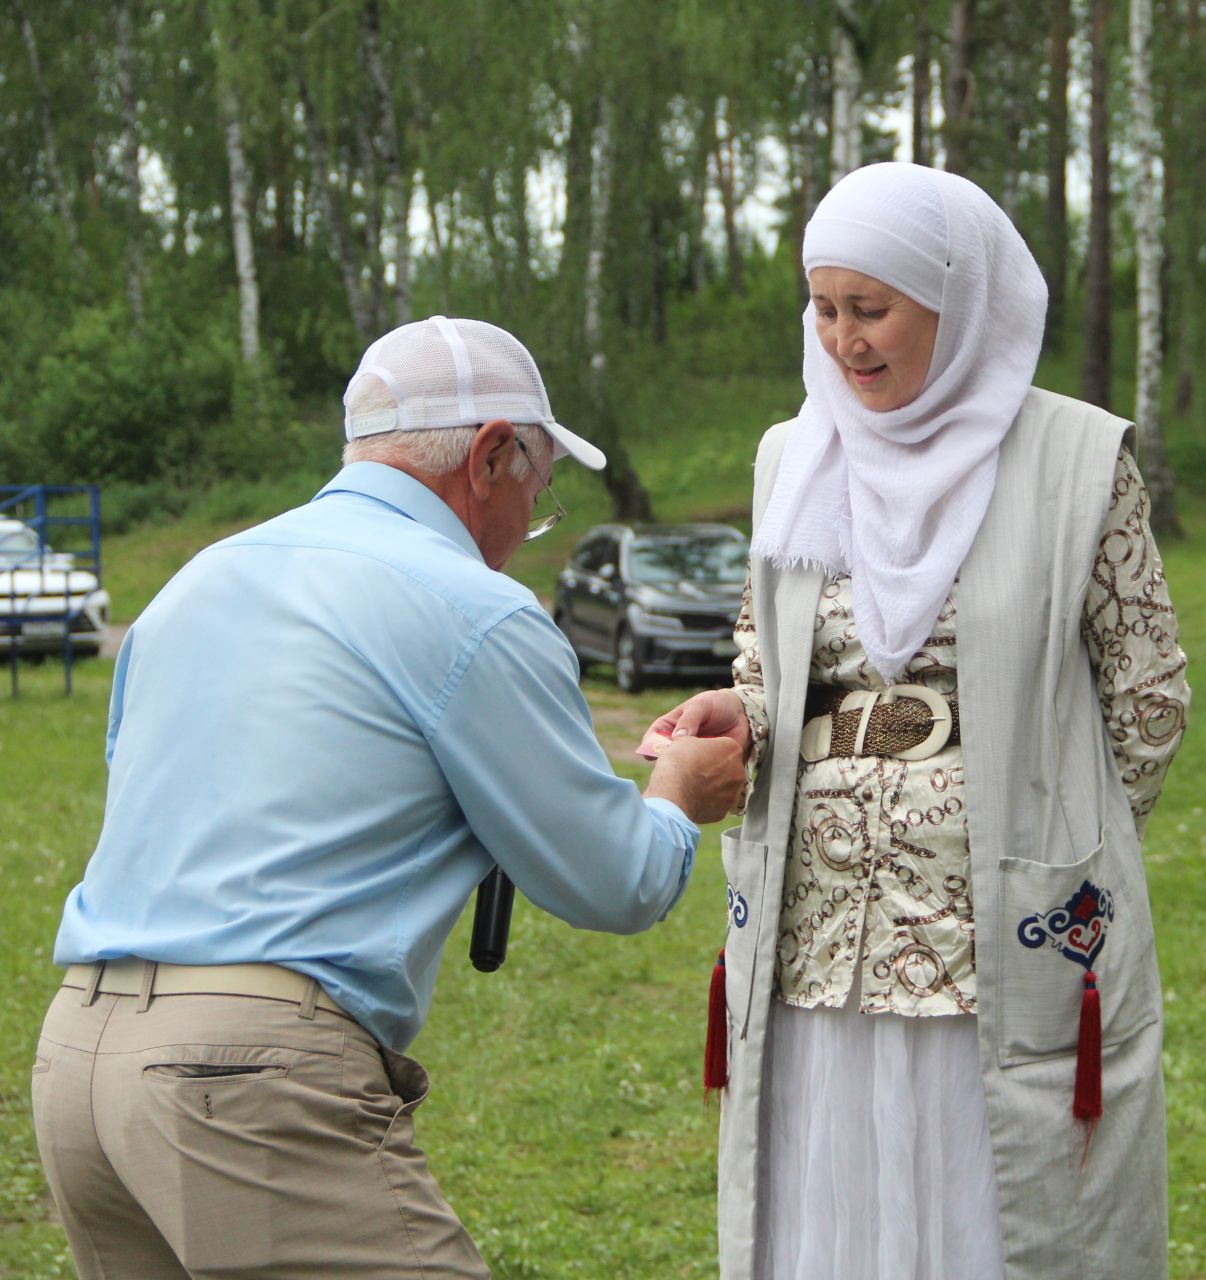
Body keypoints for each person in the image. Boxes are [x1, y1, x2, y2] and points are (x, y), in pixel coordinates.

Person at [31, 315, 745, 1278]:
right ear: (492, 454)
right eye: (537, 493)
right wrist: (675, 793)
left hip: (78, 1056)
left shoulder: (198, 580)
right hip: (243, 1078)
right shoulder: (474, 606)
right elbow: (615, 881)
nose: (526, 528)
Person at [648, 162, 1190, 1280]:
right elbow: (770, 665)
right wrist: (733, 714)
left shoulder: (1076, 460)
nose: (845, 339)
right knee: (837, 1211)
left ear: (958, 298)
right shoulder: (794, 458)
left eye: (873, 308)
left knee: (990, 1207)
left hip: (996, 940)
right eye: (825, 307)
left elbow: (1148, 698)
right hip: (822, 940)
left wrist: (1044, 819)